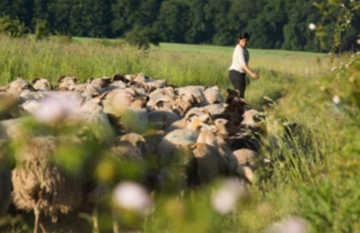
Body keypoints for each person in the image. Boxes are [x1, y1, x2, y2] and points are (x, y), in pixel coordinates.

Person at [228, 32, 259, 98]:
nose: (245, 43)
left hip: (237, 74)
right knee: (240, 95)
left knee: (237, 94)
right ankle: (236, 107)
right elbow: (243, 64)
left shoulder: (243, 49)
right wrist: (251, 73)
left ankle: (232, 104)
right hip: (237, 73)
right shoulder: (239, 49)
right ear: (239, 40)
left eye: (246, 41)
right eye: (243, 41)